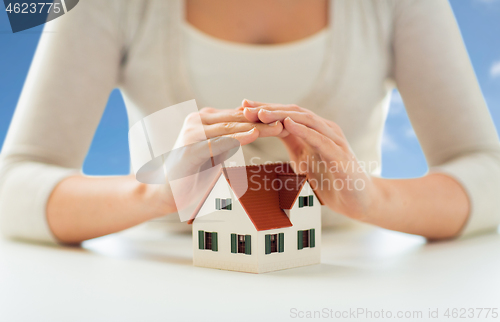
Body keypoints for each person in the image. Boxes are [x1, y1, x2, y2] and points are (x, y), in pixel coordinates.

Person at [1, 0, 499, 245]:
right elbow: (14, 181)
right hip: (157, 288)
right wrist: (155, 194)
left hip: (349, 285)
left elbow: (486, 169)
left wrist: (371, 196)